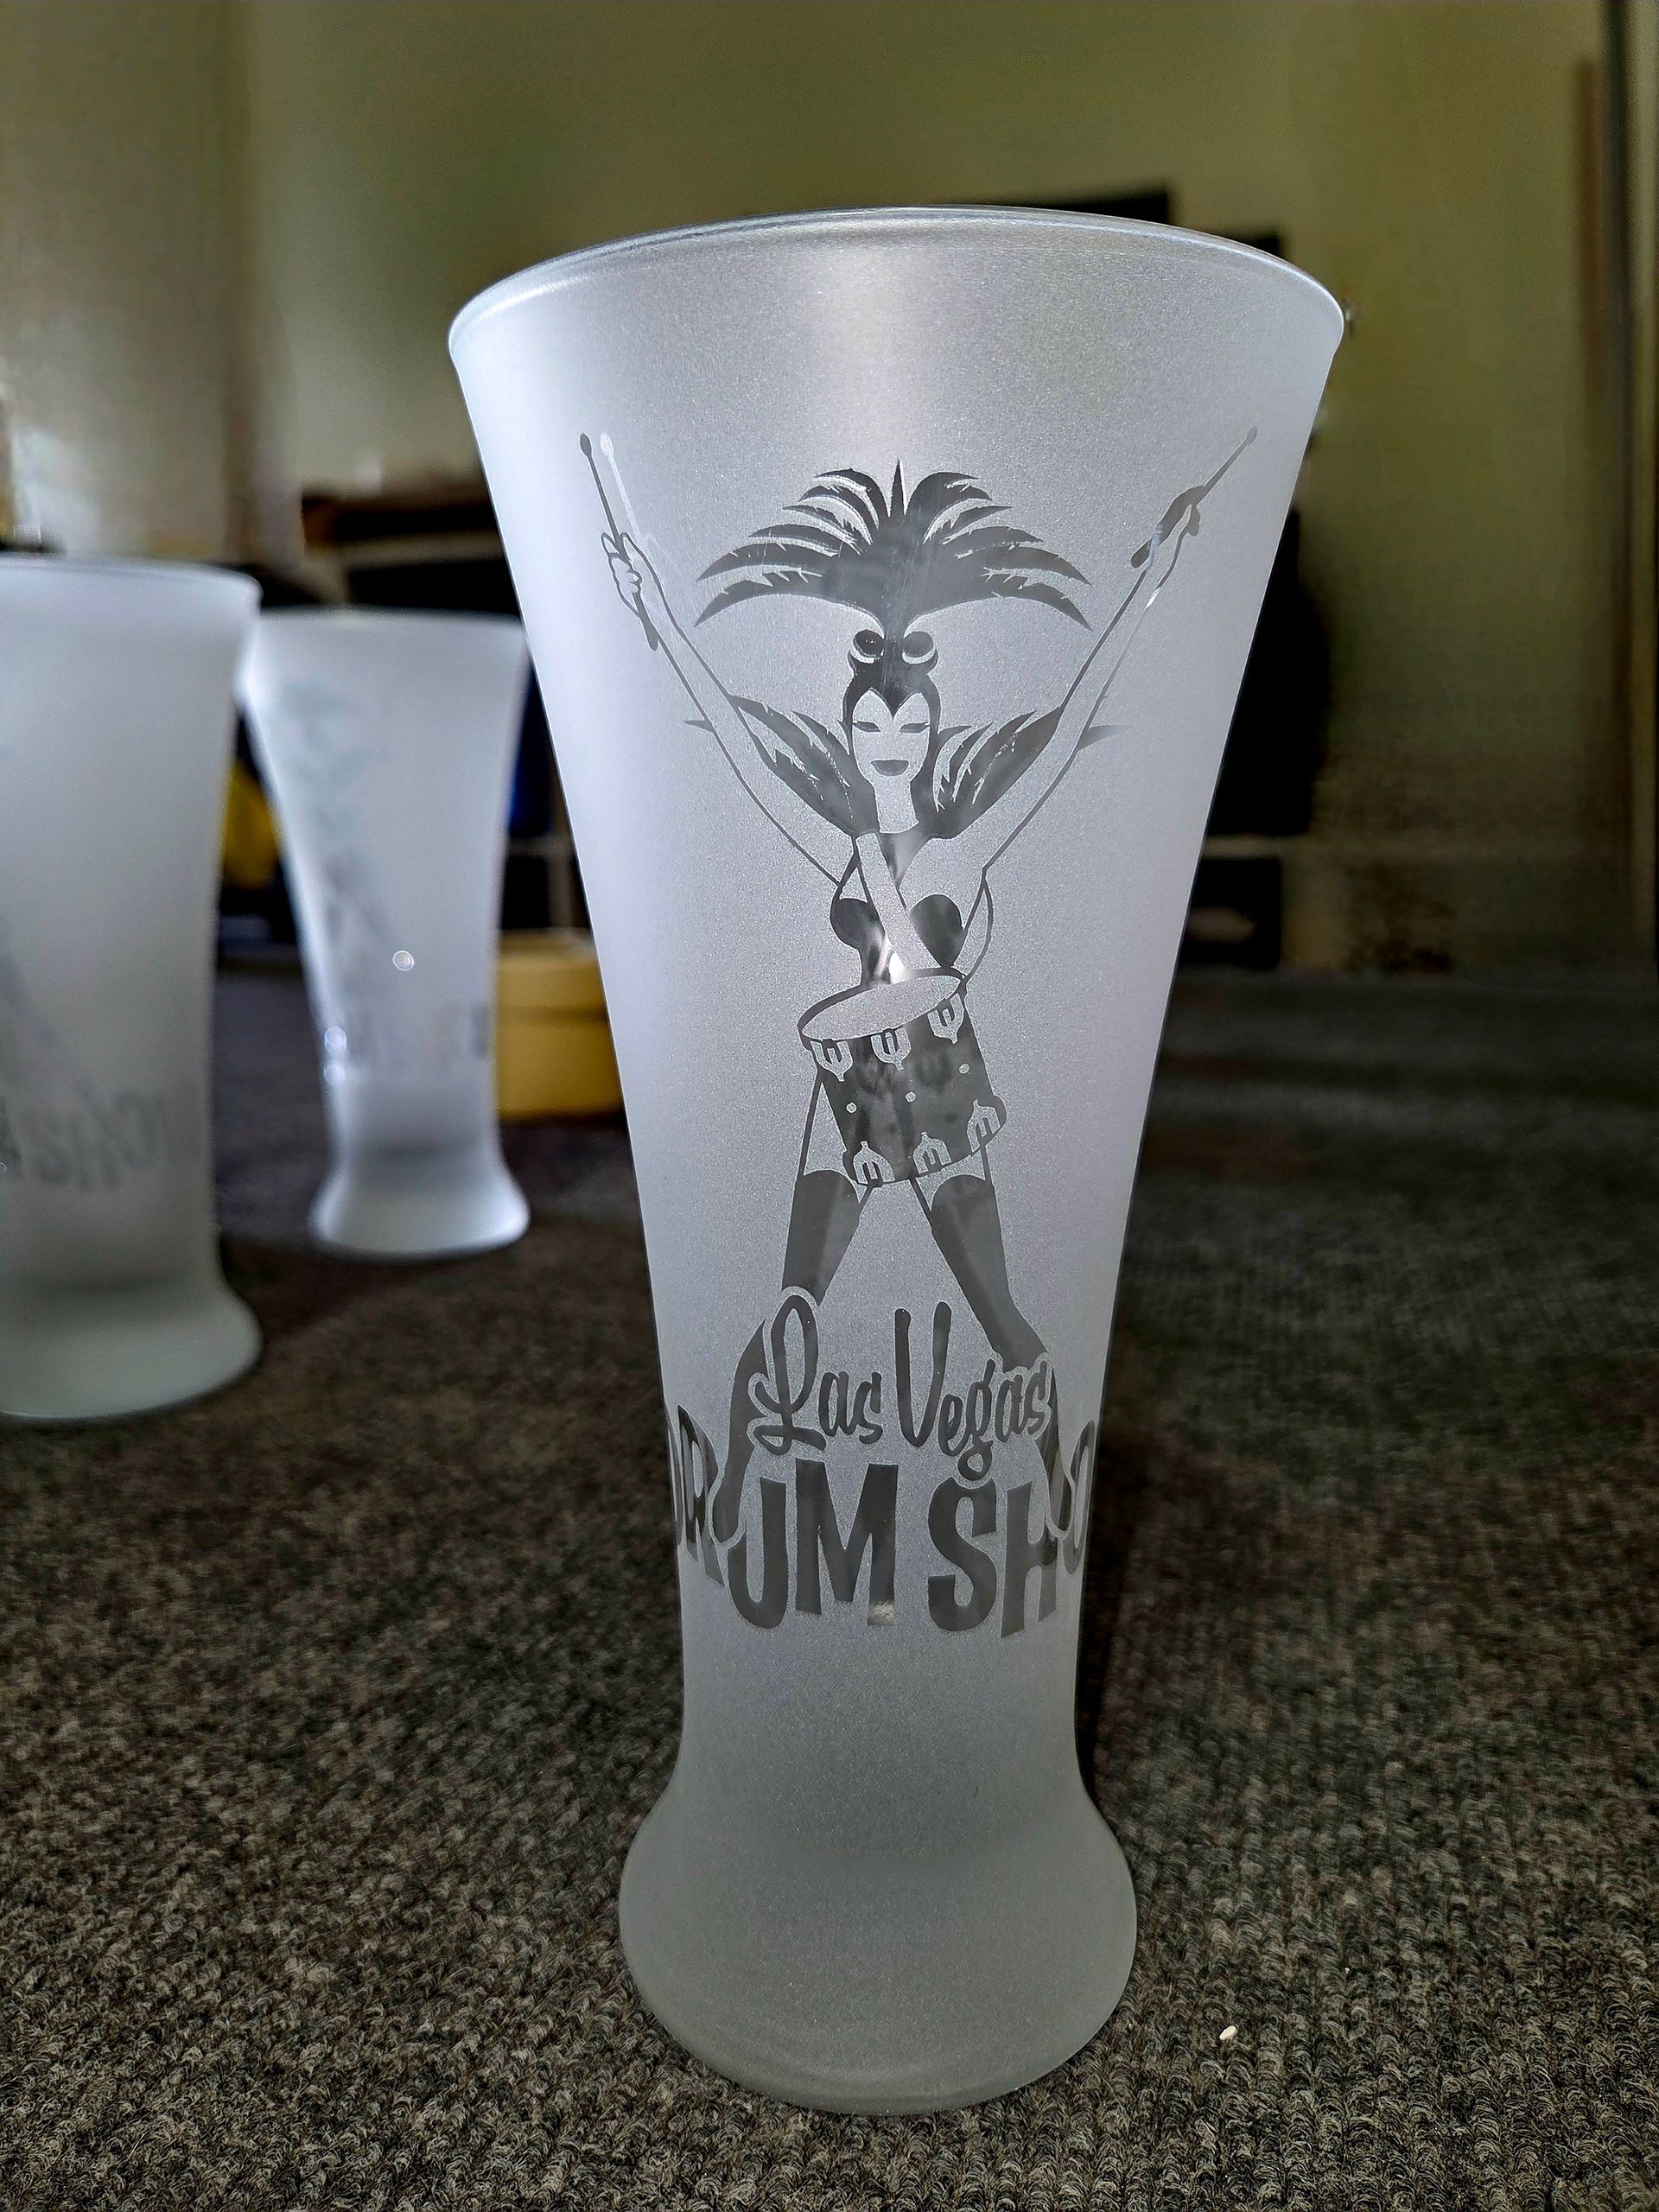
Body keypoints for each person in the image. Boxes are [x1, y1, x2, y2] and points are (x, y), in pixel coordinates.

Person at [601, 452, 1239, 1545]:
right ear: (853, 736)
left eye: (908, 732)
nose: (889, 747)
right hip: (851, 1088)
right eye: (871, 732)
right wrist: (656, 614)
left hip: (936, 1081)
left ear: (931, 734)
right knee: (792, 1307)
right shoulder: (844, 842)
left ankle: (1057, 1494)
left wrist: (1153, 583)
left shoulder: (965, 850)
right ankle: (728, 1497)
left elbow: (1065, 730)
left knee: (1002, 1315)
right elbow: (748, 759)